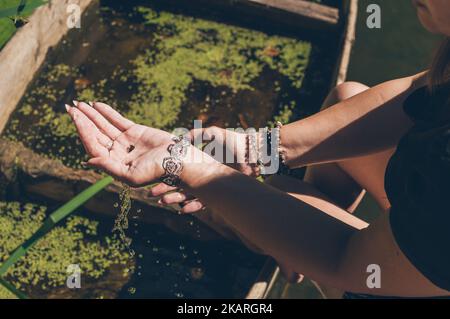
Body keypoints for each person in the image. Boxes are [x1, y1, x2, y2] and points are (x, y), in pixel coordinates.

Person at [66, 0, 450, 298]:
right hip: (428, 241)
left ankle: (290, 246)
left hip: (394, 263)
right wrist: (256, 148)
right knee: (346, 98)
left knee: (266, 197)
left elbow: (344, 256)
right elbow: (414, 96)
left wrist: (192, 169)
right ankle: (289, 243)